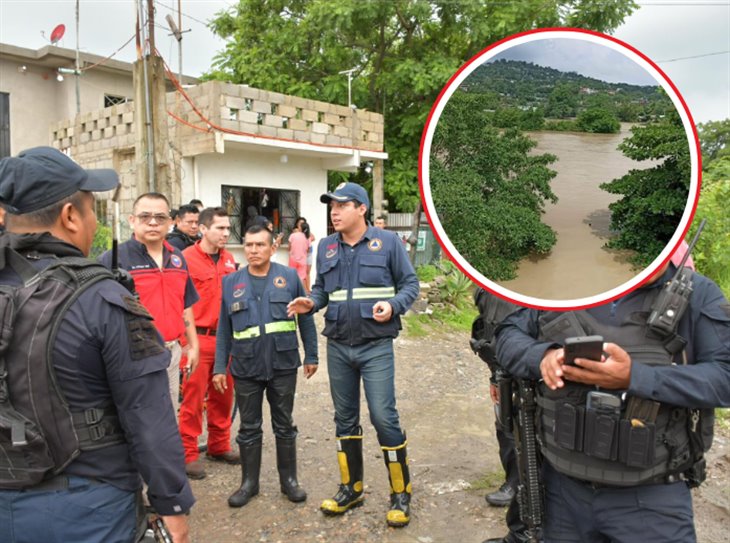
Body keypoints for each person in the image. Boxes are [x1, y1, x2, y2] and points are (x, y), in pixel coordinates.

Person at [0, 146, 194, 542]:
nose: (91, 222)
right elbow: (147, 415)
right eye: (89, 210)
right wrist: (172, 505)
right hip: (87, 505)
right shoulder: (103, 299)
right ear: (70, 217)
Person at [494, 258, 730, 542]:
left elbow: (724, 377)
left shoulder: (697, 293)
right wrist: (542, 356)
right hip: (563, 491)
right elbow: (507, 335)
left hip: (652, 499)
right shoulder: (565, 284)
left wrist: (636, 377)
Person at [287, 182, 420, 527]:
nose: (334, 211)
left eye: (342, 205)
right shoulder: (326, 247)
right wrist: (311, 302)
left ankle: (400, 492)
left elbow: (411, 285)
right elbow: (321, 291)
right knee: (344, 419)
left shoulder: (387, 243)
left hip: (376, 346)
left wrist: (393, 306)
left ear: (361, 208)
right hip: (339, 346)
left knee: (383, 417)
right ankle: (352, 488)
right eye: (331, 205)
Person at [212, 224, 318, 508]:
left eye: (260, 245)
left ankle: (289, 482)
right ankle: (249, 484)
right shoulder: (231, 282)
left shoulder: (289, 277)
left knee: (284, 424)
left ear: (273, 248)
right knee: (249, 426)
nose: (254, 250)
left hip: (282, 363)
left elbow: (305, 318)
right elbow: (224, 327)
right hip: (246, 365)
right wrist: (219, 366)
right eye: (249, 245)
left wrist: (311, 355)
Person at [99, 193, 200, 415]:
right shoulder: (114, 260)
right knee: (137, 420)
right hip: (133, 356)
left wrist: (193, 345)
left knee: (169, 417)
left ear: (170, 222)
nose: (153, 222)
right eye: (145, 216)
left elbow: (185, 305)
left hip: (171, 352)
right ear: (132, 220)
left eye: (160, 217)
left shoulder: (177, 258)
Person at [179, 207, 240, 480]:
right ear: (203, 229)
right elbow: (179, 302)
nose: (226, 233)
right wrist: (186, 343)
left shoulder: (229, 261)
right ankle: (188, 454)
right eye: (220, 228)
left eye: (228, 228)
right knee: (192, 400)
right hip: (198, 339)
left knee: (223, 395)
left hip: (225, 340)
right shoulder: (185, 260)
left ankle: (219, 445)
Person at [470, 288, 529, 543]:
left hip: (533, 367)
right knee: (505, 425)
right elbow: (487, 329)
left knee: (531, 436)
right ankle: (513, 483)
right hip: (502, 369)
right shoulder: (487, 289)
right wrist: (495, 375)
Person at [288, 221, 311, 293]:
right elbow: (308, 249)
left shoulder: (293, 235)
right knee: (301, 277)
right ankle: (300, 292)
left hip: (293, 259)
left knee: (292, 275)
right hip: (302, 260)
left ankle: (292, 292)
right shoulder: (307, 237)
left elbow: (289, 247)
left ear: (300, 228)